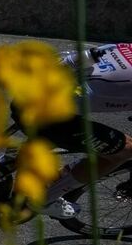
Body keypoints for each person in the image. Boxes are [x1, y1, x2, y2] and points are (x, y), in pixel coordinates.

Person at [22, 43, 132, 219]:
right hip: (51, 115)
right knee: (125, 150)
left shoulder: (124, 46)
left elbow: (77, 58)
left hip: (30, 88)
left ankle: (1, 169)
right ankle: (44, 200)